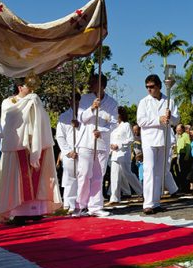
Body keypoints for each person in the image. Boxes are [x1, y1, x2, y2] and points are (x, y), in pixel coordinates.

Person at [0, 76, 60, 223]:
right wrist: (28, 103)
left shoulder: (35, 99)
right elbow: (9, 120)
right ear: (20, 87)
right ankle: (17, 211)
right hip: (17, 144)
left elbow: (43, 120)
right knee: (18, 179)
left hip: (35, 143)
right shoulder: (8, 101)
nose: (32, 89)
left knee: (36, 177)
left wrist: (34, 104)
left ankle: (36, 210)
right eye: (29, 86)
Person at [77, 72, 118, 215]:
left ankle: (95, 206)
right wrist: (92, 108)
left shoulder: (112, 103)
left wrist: (101, 130)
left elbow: (113, 124)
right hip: (86, 142)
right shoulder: (85, 99)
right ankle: (81, 205)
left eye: (93, 82)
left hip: (102, 142)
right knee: (84, 173)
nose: (90, 85)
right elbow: (81, 118)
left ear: (102, 85)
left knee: (98, 175)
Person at [137, 74, 178, 214]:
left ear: (159, 86)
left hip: (164, 139)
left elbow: (176, 121)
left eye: (152, 87)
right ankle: (147, 203)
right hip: (149, 141)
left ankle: (156, 202)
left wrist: (170, 117)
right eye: (147, 87)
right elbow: (140, 121)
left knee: (160, 172)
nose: (149, 89)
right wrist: (158, 119)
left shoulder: (169, 101)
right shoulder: (143, 102)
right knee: (149, 170)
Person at [55, 101, 86, 212]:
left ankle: (81, 203)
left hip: (84, 151)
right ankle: (68, 204)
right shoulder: (64, 117)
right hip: (70, 152)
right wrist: (68, 151)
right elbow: (60, 136)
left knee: (83, 178)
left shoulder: (85, 115)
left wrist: (79, 126)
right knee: (70, 179)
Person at [108, 107, 141, 204]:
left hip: (124, 153)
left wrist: (119, 145)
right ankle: (114, 198)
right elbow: (111, 141)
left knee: (128, 174)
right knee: (114, 175)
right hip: (114, 155)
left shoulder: (126, 125)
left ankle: (141, 192)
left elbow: (130, 139)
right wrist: (111, 148)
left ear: (120, 114)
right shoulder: (113, 127)